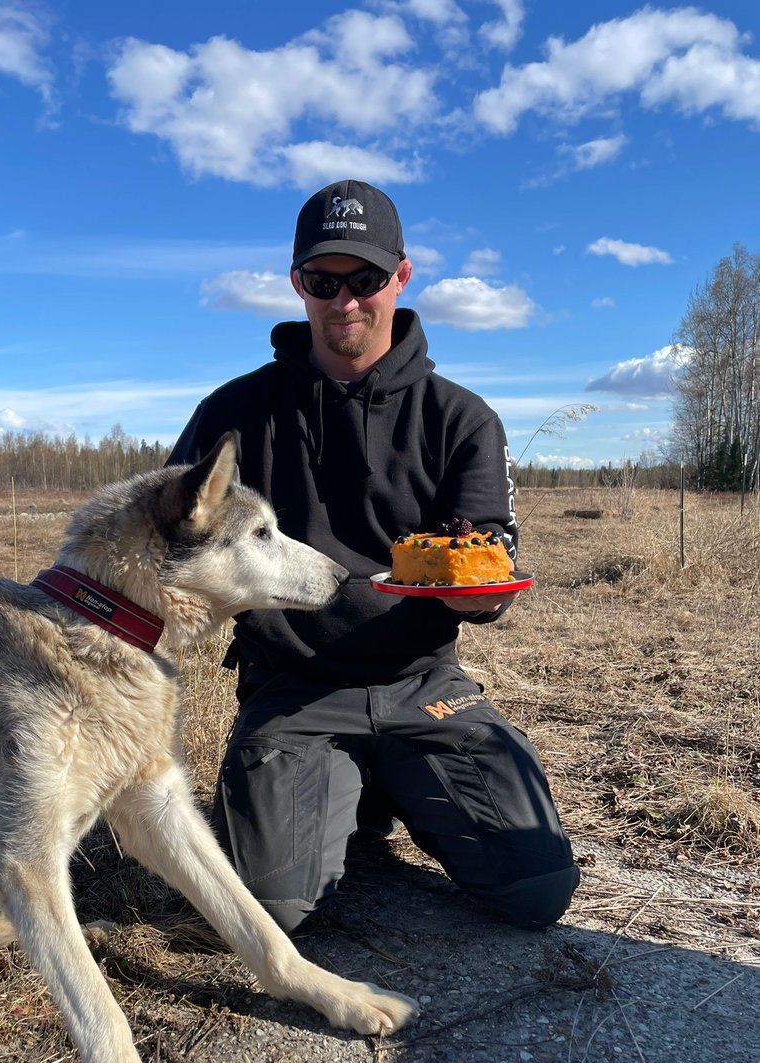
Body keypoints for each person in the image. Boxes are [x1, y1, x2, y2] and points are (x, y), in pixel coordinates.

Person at [167, 179, 579, 935]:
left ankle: (383, 780)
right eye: (323, 281)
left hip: (423, 684)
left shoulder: (462, 419)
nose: (345, 301)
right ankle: (342, 787)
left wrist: (478, 592)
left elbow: (493, 559)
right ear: (298, 284)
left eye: (365, 278)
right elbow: (169, 537)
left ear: (401, 276)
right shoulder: (233, 415)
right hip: (293, 688)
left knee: (536, 889)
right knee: (268, 910)